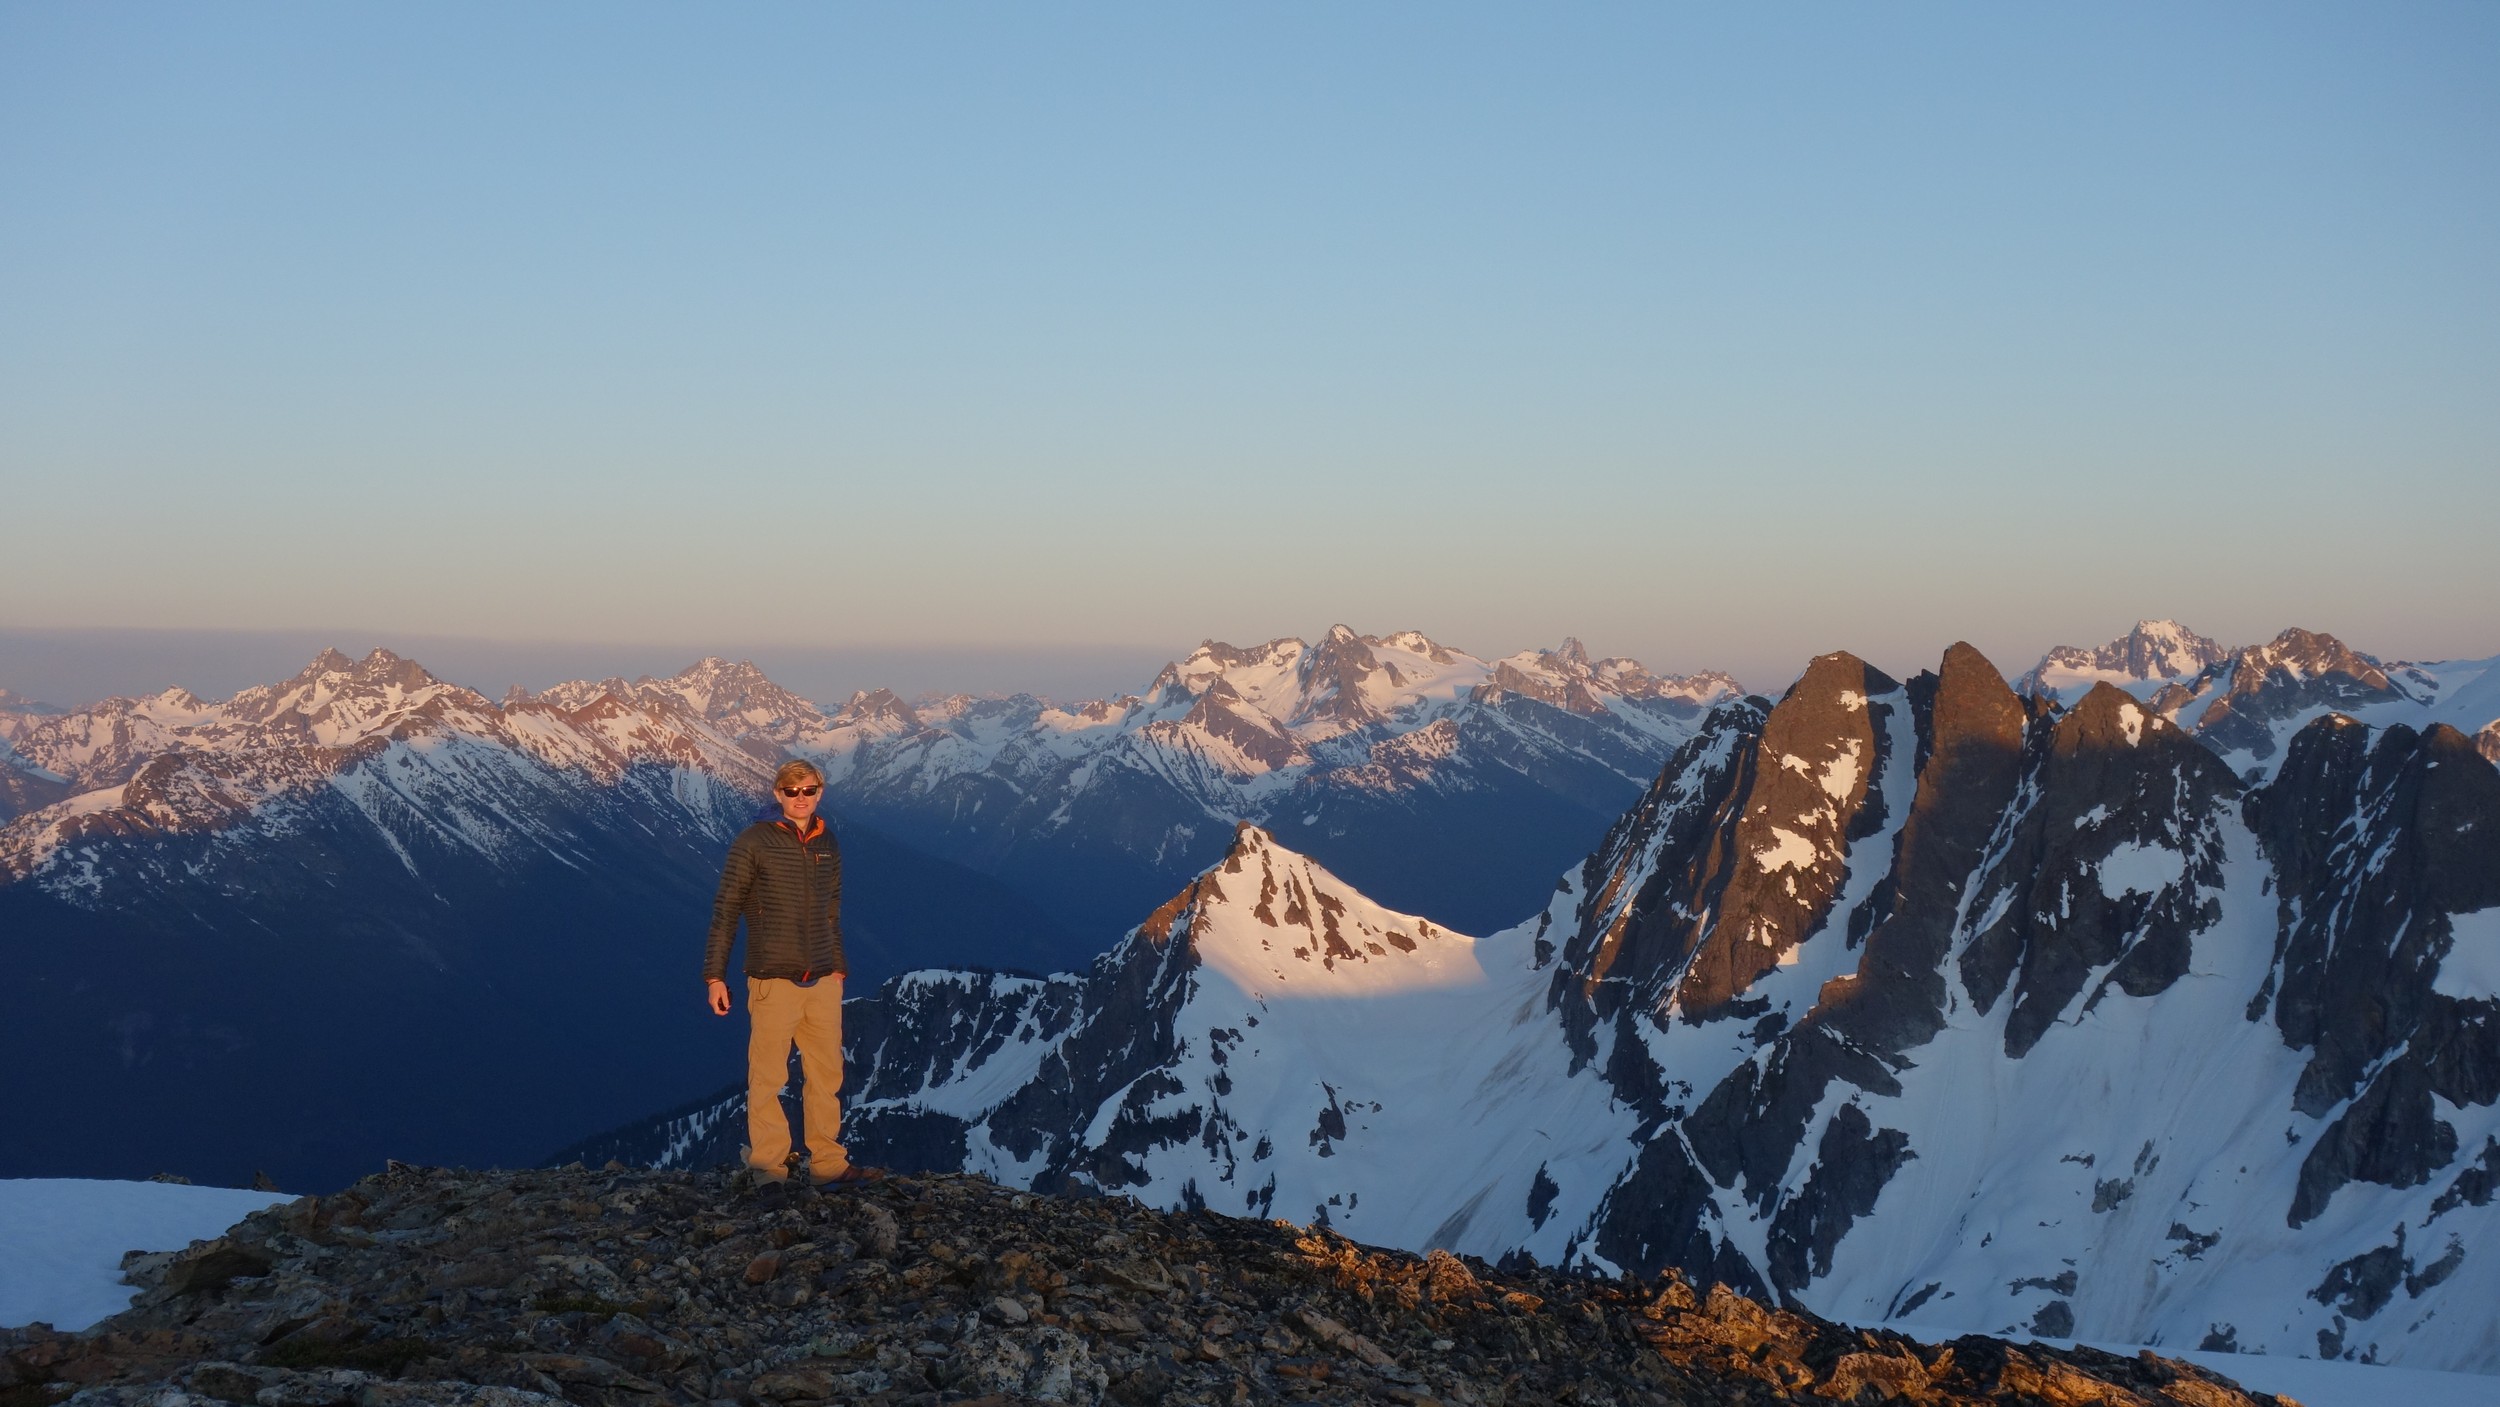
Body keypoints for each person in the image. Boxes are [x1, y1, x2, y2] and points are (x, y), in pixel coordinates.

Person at [704, 758, 883, 1186]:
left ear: (820, 792)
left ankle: (828, 1164)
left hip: (822, 979)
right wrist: (714, 976)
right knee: (768, 1077)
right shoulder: (753, 841)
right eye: (791, 791)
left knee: (826, 1075)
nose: (800, 798)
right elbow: (726, 909)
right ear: (777, 793)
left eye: (808, 790)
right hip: (772, 978)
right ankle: (769, 1169)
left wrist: (837, 966)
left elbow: (831, 909)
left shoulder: (827, 842)